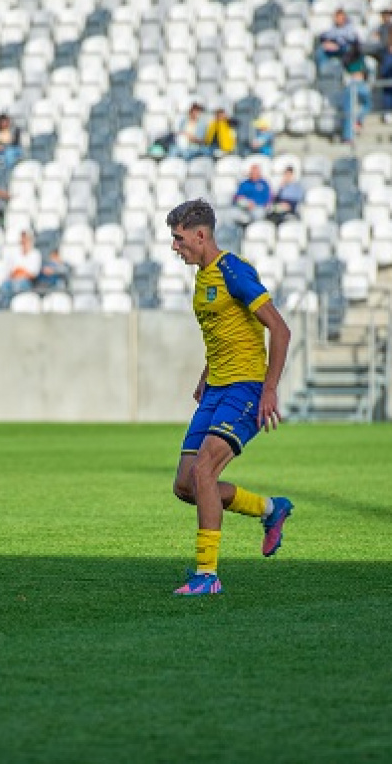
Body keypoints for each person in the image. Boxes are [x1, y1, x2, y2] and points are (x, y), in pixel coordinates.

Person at [165, 199, 293, 596]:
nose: (174, 247)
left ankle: (208, 575)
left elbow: (280, 329)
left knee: (205, 473)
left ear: (201, 236)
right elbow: (224, 331)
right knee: (186, 485)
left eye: (179, 238)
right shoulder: (202, 277)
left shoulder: (234, 271)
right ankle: (271, 509)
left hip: (246, 388)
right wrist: (206, 373)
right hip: (217, 389)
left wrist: (269, 388)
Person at [0, 231, 42, 297]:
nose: (23, 241)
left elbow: (34, 274)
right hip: (14, 280)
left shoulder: (35, 253)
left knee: (18, 285)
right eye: (22, 239)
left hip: (28, 281)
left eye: (26, 239)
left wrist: (20, 271)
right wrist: (20, 271)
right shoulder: (15, 253)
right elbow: (11, 271)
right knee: (4, 286)